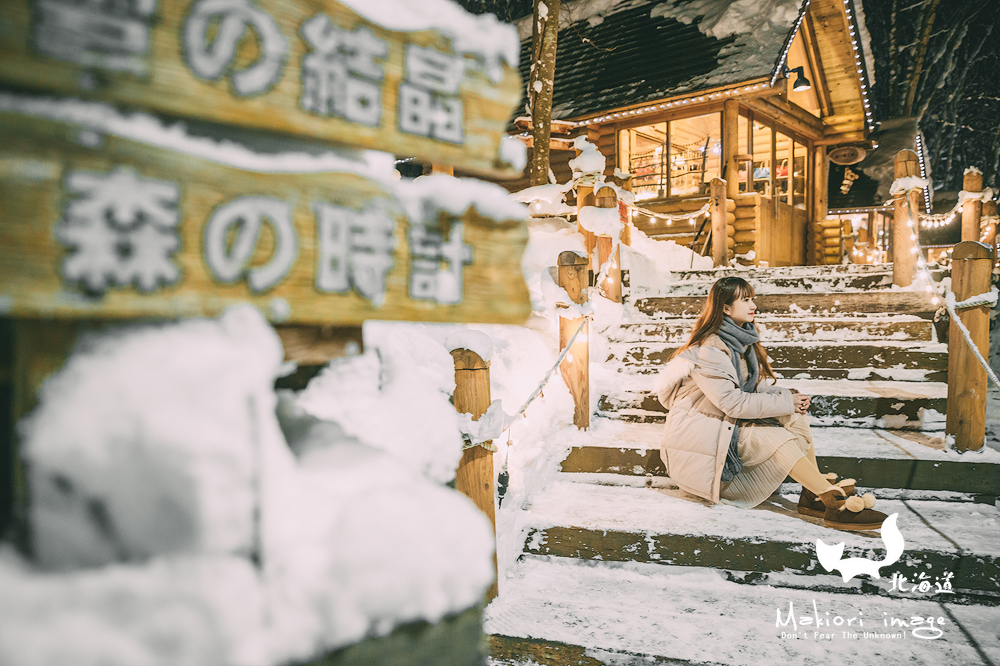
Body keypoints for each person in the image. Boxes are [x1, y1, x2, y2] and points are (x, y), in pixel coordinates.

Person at [654, 276, 888, 531]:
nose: (753, 305)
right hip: (703, 437)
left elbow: (747, 388)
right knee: (775, 438)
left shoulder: (740, 343)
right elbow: (733, 402)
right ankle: (832, 501)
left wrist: (785, 397)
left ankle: (813, 493)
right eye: (745, 300)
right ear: (725, 308)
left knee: (794, 419)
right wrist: (784, 402)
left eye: (753, 298)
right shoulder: (710, 348)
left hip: (723, 425)